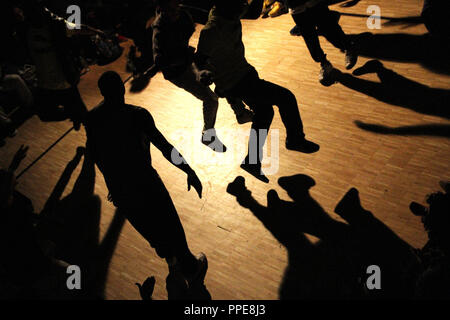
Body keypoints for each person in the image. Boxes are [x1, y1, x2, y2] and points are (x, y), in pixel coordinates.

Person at [85, 71, 208, 288]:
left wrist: (111, 183)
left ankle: (172, 264)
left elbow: (96, 156)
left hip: (122, 190)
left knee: (151, 231)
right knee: (173, 229)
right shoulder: (137, 115)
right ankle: (192, 270)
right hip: (146, 183)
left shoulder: (92, 119)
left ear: (102, 93)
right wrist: (189, 170)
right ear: (123, 89)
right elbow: (164, 147)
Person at [196, 0, 319, 182]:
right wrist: (202, 73)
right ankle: (295, 139)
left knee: (265, 112)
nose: (242, 8)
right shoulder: (211, 30)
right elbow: (198, 61)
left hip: (244, 74)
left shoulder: (230, 12)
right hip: (236, 82)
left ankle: (252, 161)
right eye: (239, 5)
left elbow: (253, 12)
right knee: (286, 97)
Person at [152, 0, 253, 152]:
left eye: (176, 9)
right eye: (171, 11)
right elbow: (160, 61)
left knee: (221, 71)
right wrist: (184, 57)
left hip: (187, 59)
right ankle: (208, 135)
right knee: (211, 99)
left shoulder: (182, 13)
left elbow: (205, 15)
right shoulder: (160, 29)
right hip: (177, 71)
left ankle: (240, 112)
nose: (176, 13)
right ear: (162, 9)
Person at [24, 1, 88, 130]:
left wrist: (96, 31)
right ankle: (73, 114)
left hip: (63, 80)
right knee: (44, 114)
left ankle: (81, 121)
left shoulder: (55, 26)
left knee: (83, 115)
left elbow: (77, 28)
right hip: (45, 83)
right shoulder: (25, 30)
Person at [286, 0, 358, 86]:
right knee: (310, 39)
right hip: (295, 6)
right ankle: (325, 64)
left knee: (329, 28)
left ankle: (349, 47)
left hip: (314, 2)